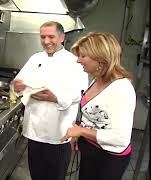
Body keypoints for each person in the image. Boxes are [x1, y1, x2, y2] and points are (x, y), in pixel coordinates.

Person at [11, 21, 88, 180]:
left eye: (51, 37)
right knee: (36, 174)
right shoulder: (35, 58)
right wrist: (17, 86)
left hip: (58, 132)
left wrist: (56, 98)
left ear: (62, 37)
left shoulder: (74, 62)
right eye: (43, 37)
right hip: (34, 130)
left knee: (55, 176)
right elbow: (18, 82)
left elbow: (79, 93)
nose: (46, 41)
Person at [61, 32, 136, 180]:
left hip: (108, 159)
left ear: (100, 59)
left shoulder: (121, 89)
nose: (78, 60)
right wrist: (80, 132)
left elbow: (120, 138)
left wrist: (81, 131)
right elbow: (95, 115)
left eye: (83, 56)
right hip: (90, 150)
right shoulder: (97, 79)